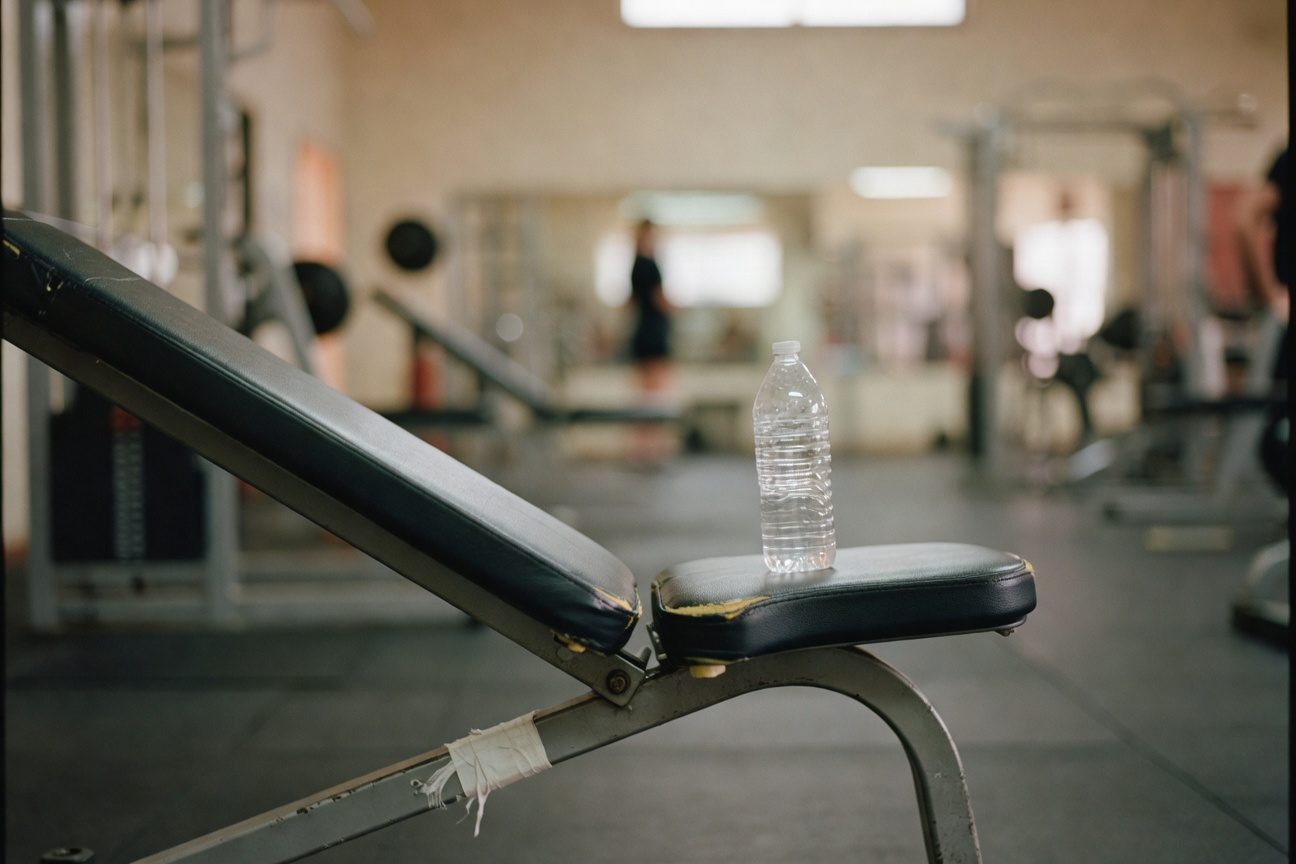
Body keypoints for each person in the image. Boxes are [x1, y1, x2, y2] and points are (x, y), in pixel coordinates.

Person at [627, 219, 674, 463]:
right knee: (655, 397)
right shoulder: (649, 265)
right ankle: (651, 449)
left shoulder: (634, 264)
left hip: (642, 335)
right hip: (653, 336)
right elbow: (660, 301)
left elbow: (631, 303)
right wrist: (677, 309)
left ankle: (643, 449)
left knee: (645, 396)